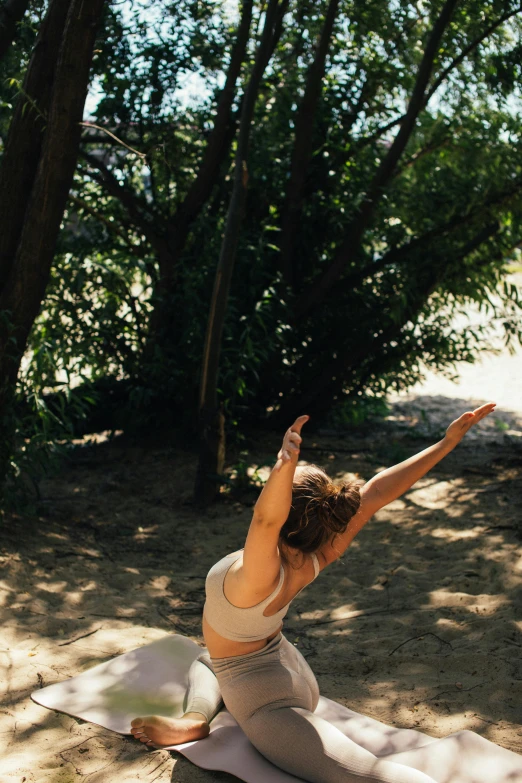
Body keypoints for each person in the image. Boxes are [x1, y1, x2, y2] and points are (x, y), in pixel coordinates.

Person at [130, 403, 496, 782]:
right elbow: (377, 491)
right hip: (283, 666)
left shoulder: (260, 570)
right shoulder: (320, 552)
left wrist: (284, 462)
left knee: (372, 776)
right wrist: (444, 443)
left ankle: (199, 719)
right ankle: (194, 720)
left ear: (285, 508)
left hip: (266, 701)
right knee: (206, 661)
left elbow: (265, 518)